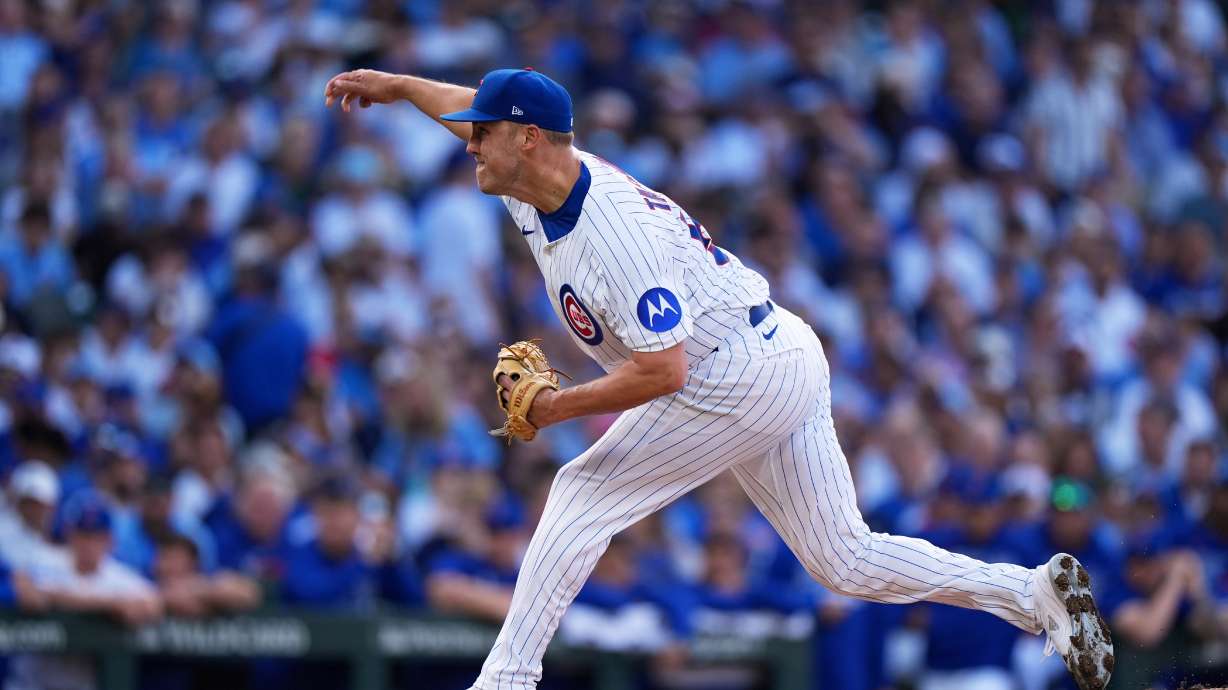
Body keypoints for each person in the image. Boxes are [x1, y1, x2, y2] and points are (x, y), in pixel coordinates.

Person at [324, 66, 1114, 690]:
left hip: (734, 370)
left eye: (482, 135)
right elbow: (471, 101)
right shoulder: (537, 174)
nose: (468, 142)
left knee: (580, 491)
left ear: (527, 139)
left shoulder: (612, 236)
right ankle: (1030, 596)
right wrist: (395, 87)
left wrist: (558, 406)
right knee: (845, 560)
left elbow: (663, 371)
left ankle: (506, 681)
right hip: (771, 349)